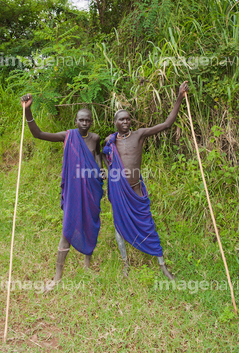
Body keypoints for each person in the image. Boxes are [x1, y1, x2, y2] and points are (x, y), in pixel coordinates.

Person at [103, 81, 189, 280]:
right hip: (119, 191)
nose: (125, 122)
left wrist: (179, 97)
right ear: (115, 123)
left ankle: (162, 266)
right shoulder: (111, 141)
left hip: (135, 189)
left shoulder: (139, 135)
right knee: (118, 226)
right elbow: (105, 161)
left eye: (127, 119)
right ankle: (126, 265)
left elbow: (167, 124)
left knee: (148, 224)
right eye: (121, 120)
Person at [21, 94, 104, 291]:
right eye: (81, 119)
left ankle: (86, 266)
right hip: (75, 191)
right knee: (69, 227)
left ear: (92, 122)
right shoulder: (68, 136)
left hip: (92, 189)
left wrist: (101, 170)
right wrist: (27, 110)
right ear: (75, 121)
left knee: (90, 224)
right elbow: (38, 134)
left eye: (88, 120)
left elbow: (98, 156)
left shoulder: (95, 138)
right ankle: (58, 277)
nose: (84, 123)